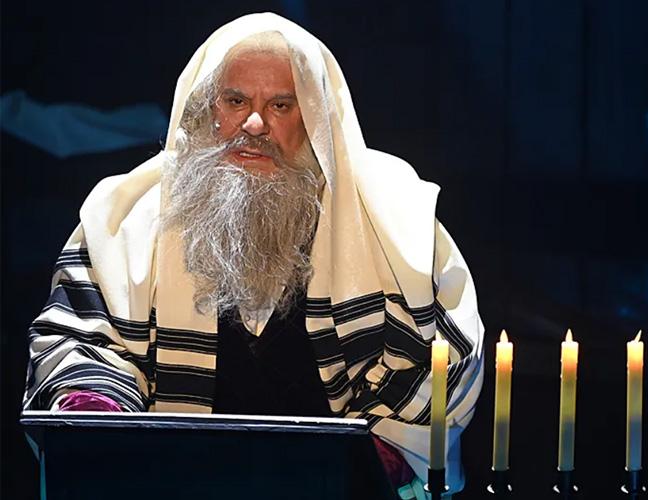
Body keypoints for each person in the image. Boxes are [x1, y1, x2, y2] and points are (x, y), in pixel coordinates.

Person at [22, 13, 484, 496]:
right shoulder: (126, 221)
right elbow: (79, 343)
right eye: (236, 101)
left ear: (314, 119)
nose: (254, 124)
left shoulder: (393, 221)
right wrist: (99, 410)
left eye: (280, 105)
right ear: (209, 109)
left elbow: (443, 357)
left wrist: (376, 458)